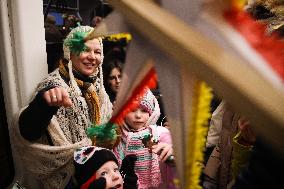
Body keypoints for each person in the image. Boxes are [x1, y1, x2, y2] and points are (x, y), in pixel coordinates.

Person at [16, 25, 113, 189]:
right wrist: (44, 104)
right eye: (85, 50)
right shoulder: (52, 86)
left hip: (97, 169)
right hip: (68, 179)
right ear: (70, 52)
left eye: (97, 52)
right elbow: (29, 132)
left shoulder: (97, 86)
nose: (92, 57)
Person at [112, 89, 175, 189]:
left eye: (144, 110)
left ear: (151, 113)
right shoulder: (116, 137)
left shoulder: (159, 134)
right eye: (132, 109)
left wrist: (173, 154)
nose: (138, 115)